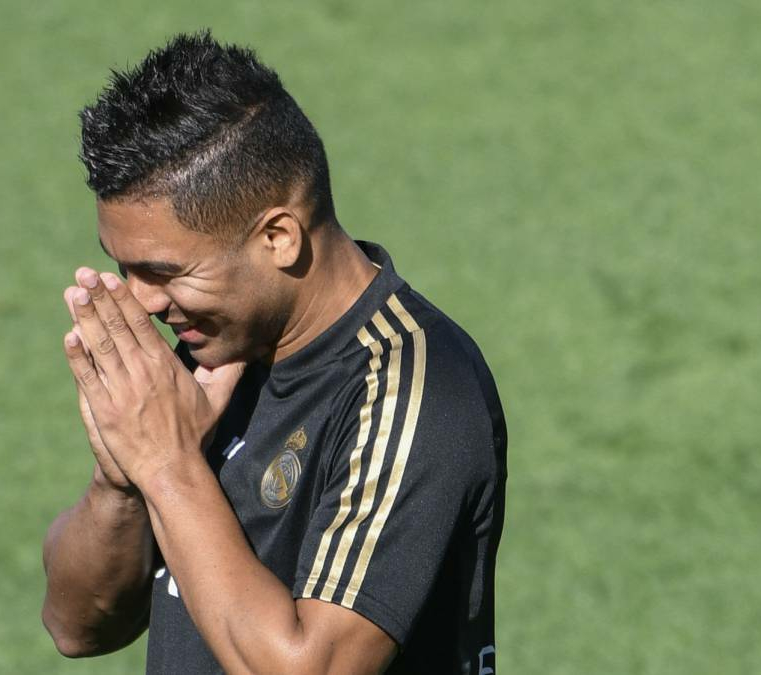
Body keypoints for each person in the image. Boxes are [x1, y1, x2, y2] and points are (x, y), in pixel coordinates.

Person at [41, 30, 507, 675]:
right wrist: (120, 478)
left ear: (279, 237)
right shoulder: (211, 354)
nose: (141, 302)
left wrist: (166, 464)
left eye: (164, 271)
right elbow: (77, 625)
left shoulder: (415, 390)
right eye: (124, 268)